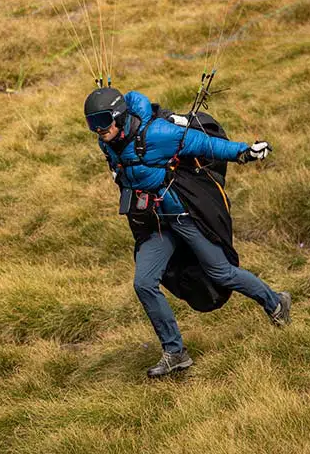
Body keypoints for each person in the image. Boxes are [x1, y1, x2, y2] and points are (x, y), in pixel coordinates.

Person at [84, 86, 291, 379]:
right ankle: (175, 352)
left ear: (119, 116)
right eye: (92, 124)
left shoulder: (157, 134)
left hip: (182, 216)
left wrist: (245, 152)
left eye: (102, 122)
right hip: (154, 226)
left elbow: (205, 145)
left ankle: (276, 303)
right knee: (144, 283)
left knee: (222, 273)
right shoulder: (107, 143)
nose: (97, 130)